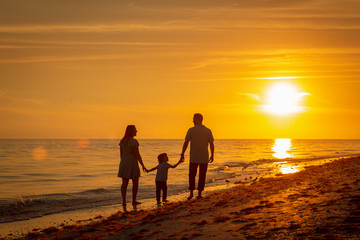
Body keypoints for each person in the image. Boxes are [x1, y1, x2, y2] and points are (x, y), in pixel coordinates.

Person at [180, 113, 214, 200]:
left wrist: (182, 153)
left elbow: (186, 142)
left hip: (195, 157)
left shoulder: (192, 130)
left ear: (197, 119)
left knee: (192, 175)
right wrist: (212, 155)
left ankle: (193, 193)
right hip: (201, 157)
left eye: (193, 119)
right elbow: (211, 144)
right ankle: (198, 194)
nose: (192, 120)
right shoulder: (207, 130)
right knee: (201, 176)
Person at [118, 125, 147, 207]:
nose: (136, 131)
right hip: (132, 162)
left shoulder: (122, 141)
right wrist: (143, 165)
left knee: (124, 183)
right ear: (131, 131)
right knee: (135, 182)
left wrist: (122, 163)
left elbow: (121, 155)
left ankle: (123, 201)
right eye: (135, 130)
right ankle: (133, 200)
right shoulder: (134, 141)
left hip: (123, 162)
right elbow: (137, 155)